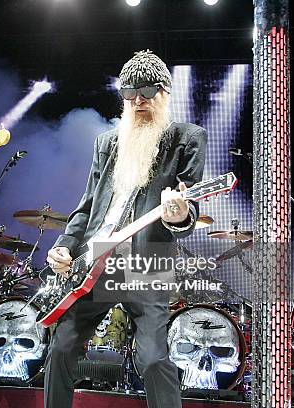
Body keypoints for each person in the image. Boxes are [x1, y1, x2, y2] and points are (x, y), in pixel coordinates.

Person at [44, 50, 207, 408]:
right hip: (95, 260)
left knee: (152, 358)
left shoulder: (187, 138)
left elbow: (188, 207)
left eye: (147, 93)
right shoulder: (107, 142)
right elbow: (87, 207)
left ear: (164, 93)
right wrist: (65, 247)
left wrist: (179, 214)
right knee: (60, 349)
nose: (138, 102)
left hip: (146, 265)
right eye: (130, 94)